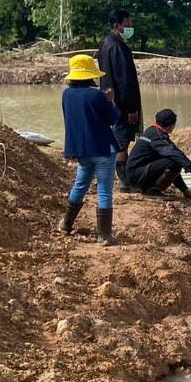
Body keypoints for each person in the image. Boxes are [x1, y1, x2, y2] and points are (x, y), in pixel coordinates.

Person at [58, 54, 121, 245]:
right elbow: (112, 119)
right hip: (103, 149)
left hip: (82, 149)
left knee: (80, 185)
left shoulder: (66, 95)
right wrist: (111, 102)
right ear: (90, 75)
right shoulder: (97, 95)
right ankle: (104, 235)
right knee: (104, 190)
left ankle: (66, 224)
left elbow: (72, 122)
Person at [97, 8, 142, 189]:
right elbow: (124, 81)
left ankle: (123, 178)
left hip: (110, 100)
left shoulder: (105, 44)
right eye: (128, 24)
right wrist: (131, 108)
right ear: (117, 25)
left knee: (117, 140)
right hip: (122, 105)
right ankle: (125, 182)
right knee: (122, 142)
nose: (130, 28)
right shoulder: (118, 47)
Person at [124, 109, 191, 199]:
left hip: (135, 174)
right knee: (175, 160)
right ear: (171, 125)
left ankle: (152, 189)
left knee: (174, 160)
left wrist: (184, 189)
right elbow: (175, 156)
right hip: (136, 176)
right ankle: (153, 191)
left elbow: (171, 163)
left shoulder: (153, 131)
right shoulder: (158, 136)